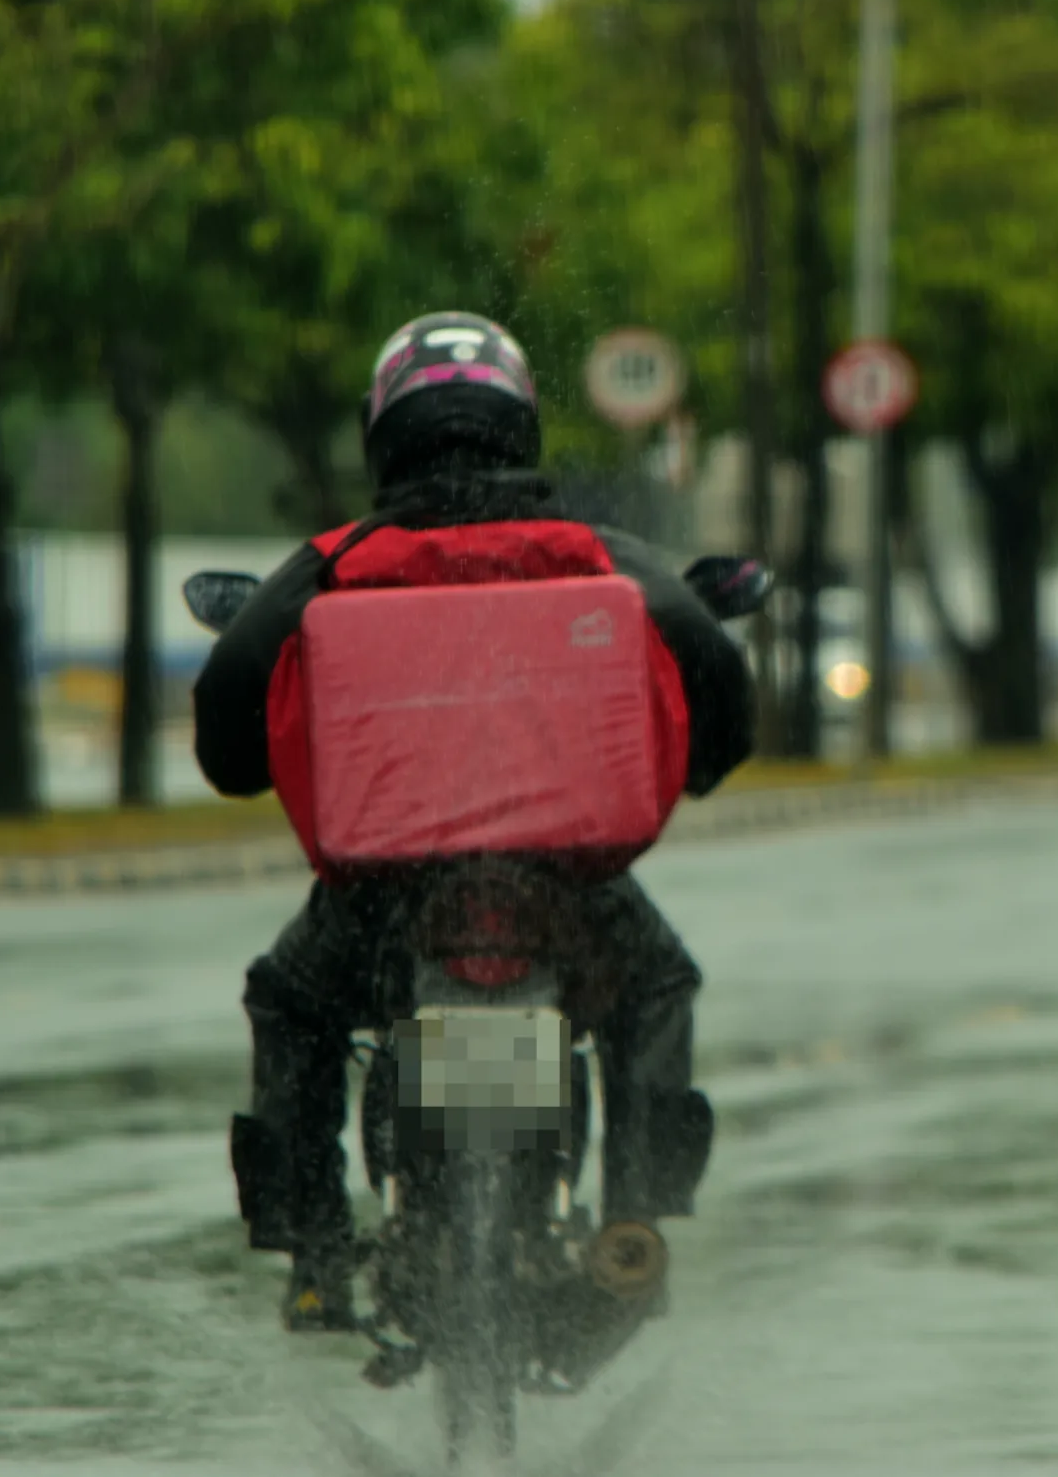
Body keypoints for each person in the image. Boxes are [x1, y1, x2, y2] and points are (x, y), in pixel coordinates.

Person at [193, 312, 755, 1332]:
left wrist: (240, 762)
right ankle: (632, 1222)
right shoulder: (591, 553)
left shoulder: (336, 561)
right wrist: (706, 765)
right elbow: (713, 665)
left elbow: (230, 703)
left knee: (291, 1003)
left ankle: (316, 1251)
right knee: (655, 985)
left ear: (385, 433)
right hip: (569, 894)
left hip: (381, 898)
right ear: (520, 426)